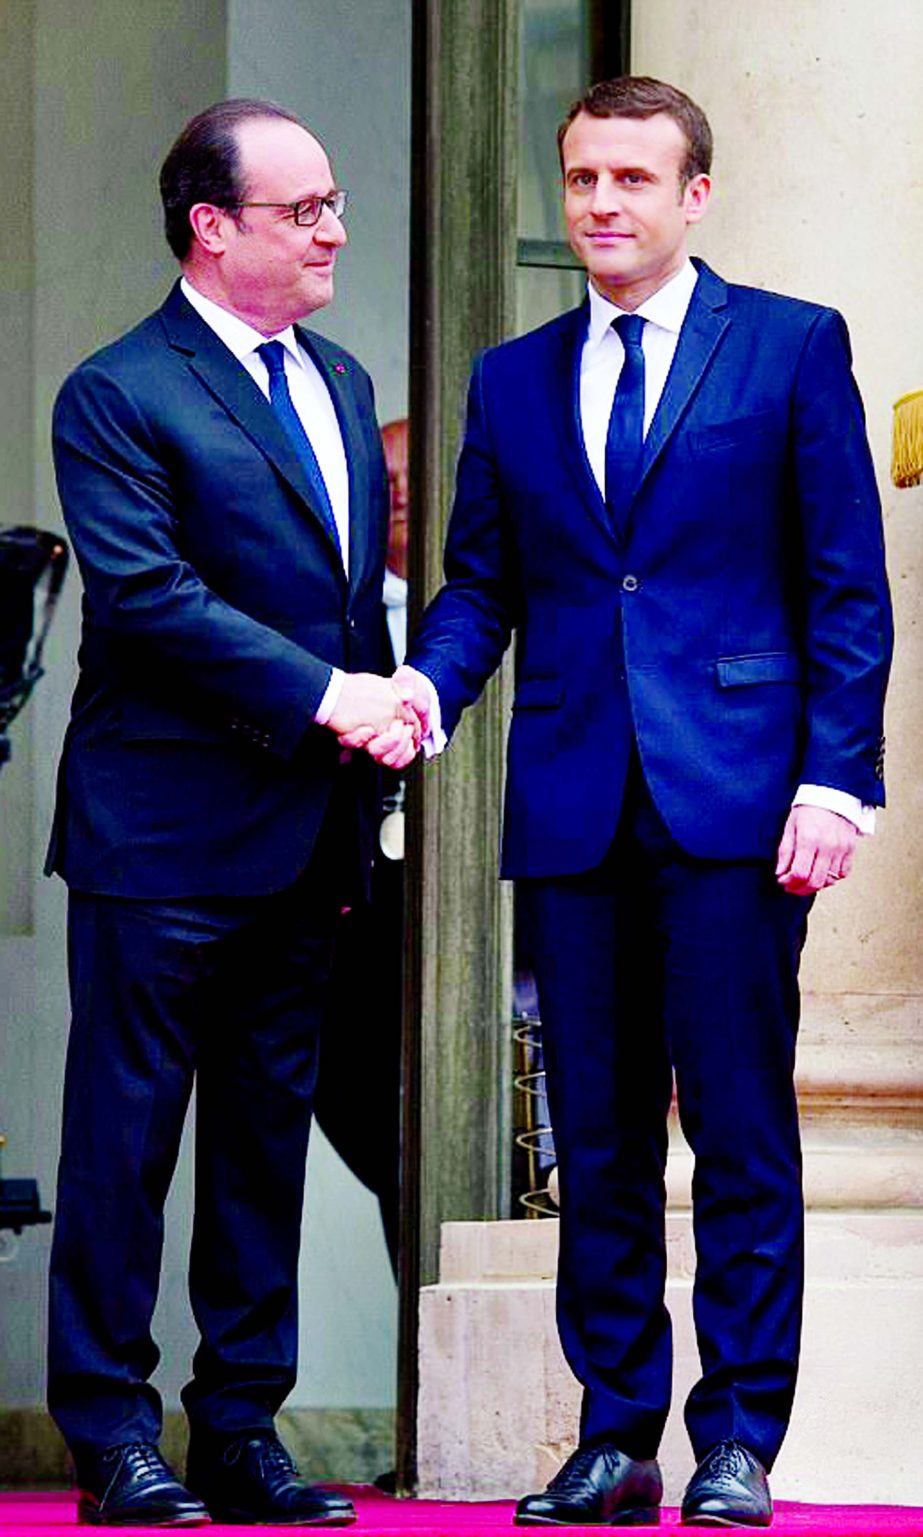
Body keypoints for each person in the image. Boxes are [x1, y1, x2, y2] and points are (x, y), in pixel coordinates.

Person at [386, 77, 892, 1527]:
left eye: (627, 179)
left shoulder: (789, 347)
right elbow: (482, 579)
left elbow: (842, 585)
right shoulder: (511, 377)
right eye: (578, 180)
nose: (598, 204)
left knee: (736, 1131)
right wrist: (427, 688)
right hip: (569, 799)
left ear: (691, 196)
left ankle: (736, 1439)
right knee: (595, 1144)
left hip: (737, 804)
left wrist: (837, 779)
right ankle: (615, 1437)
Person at [46, 98, 418, 1528]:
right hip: (158, 836)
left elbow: (336, 598)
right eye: (302, 208)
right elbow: (149, 603)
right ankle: (111, 1435)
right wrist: (337, 694)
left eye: (331, 205)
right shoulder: (119, 390)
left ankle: (239, 1430)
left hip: (306, 832)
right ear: (211, 226)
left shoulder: (337, 378)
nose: (333, 228)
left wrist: (389, 704)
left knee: (264, 1139)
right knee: (126, 1144)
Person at [314, 418, 410, 1276]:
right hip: (354, 914)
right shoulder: (332, 611)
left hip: (494, 922)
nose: (406, 489)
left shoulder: (497, 605)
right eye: (388, 475)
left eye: (423, 471)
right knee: (371, 1124)